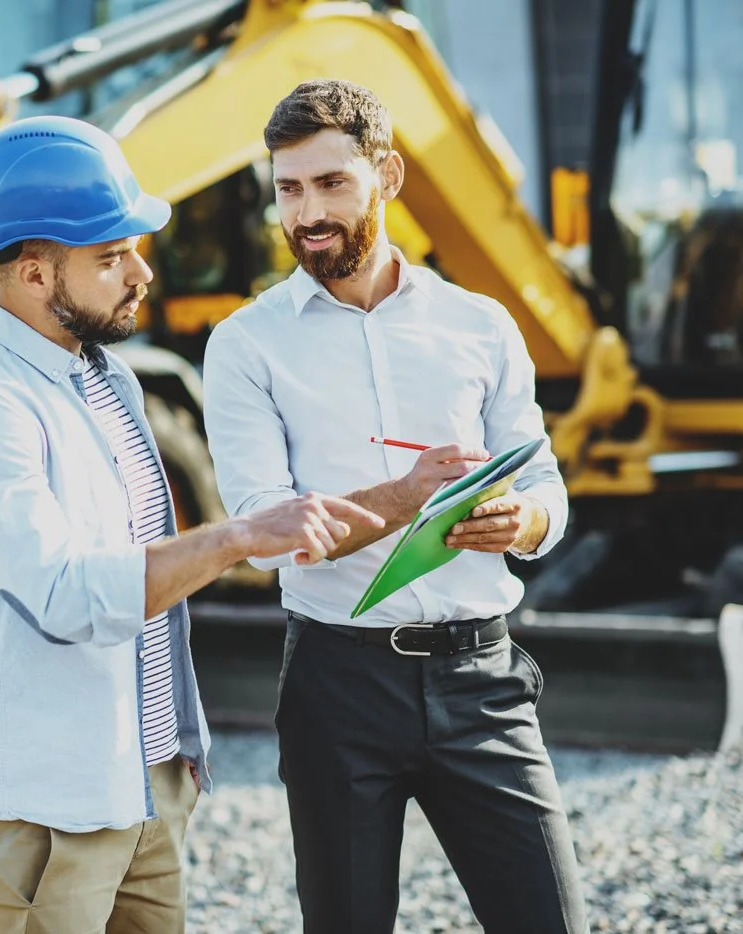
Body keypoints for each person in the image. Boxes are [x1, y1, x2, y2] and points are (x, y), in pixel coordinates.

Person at [0, 114, 383, 934]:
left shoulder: (110, 384)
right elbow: (64, 595)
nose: (141, 274)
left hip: (145, 781)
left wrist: (177, 756)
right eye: (110, 258)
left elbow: (143, 571)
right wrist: (237, 537)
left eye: (135, 247)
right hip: (48, 808)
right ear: (32, 273)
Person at [201, 80, 590, 933]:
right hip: (337, 686)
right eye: (288, 189)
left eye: (331, 183)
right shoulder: (244, 346)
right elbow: (267, 535)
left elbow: (545, 489)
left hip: (482, 682)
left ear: (389, 175)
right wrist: (404, 497)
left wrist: (520, 522)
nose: (307, 213)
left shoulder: (481, 326)